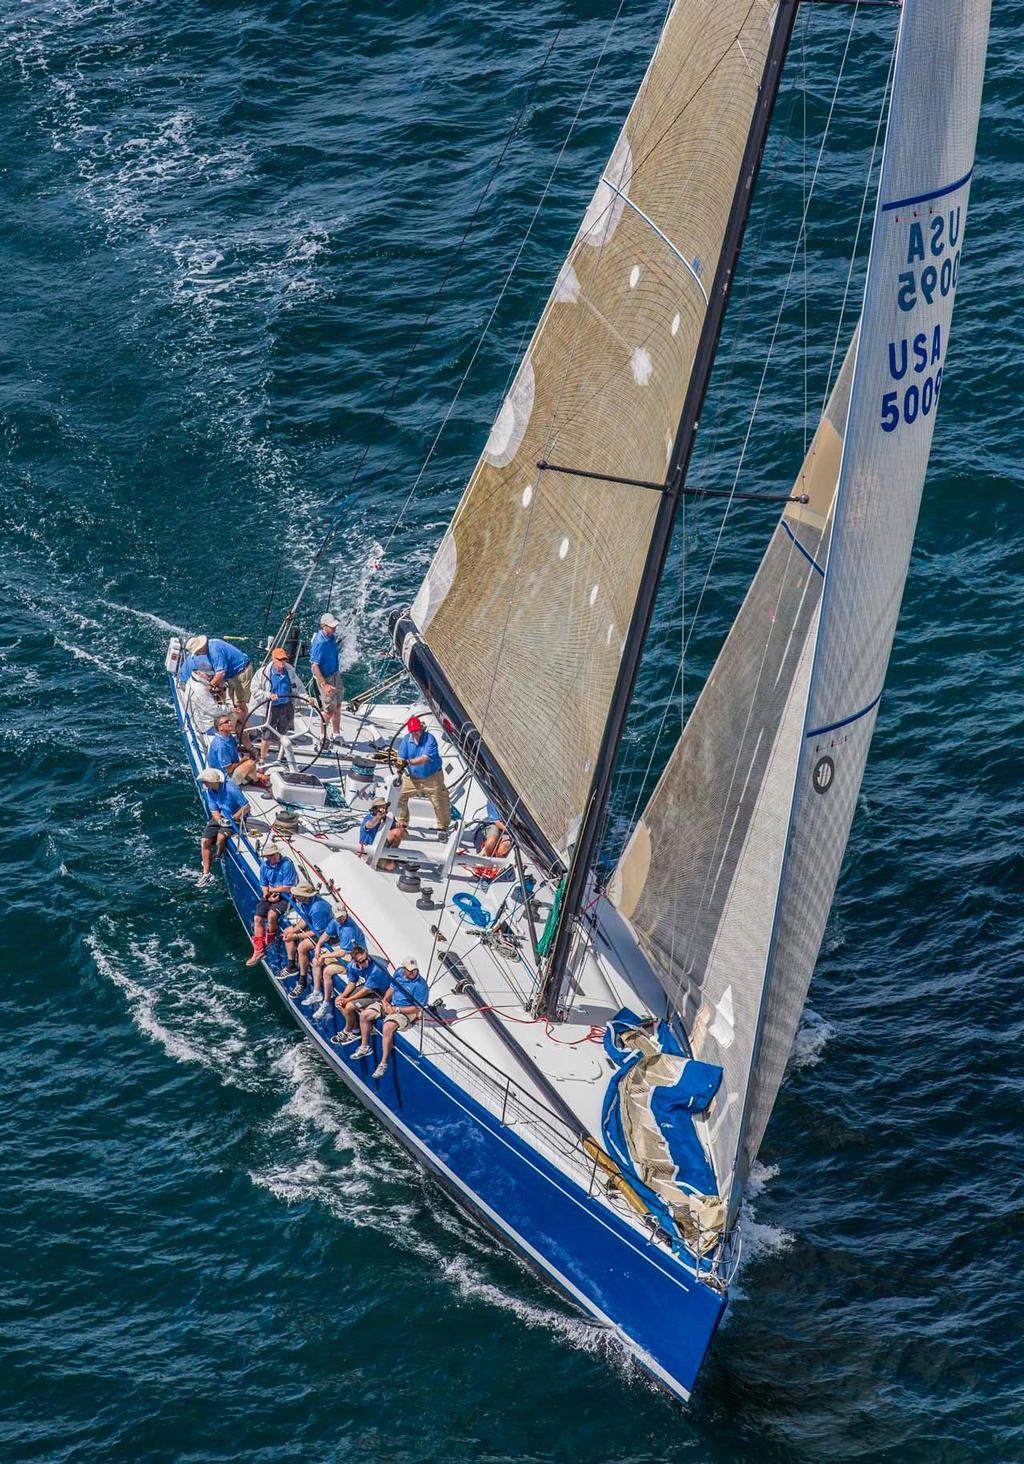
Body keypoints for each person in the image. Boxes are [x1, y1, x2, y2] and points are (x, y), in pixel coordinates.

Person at [349, 957, 429, 1079]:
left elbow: (417, 1008)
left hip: (404, 1011)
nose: (413, 973)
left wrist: (396, 1010)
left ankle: (383, 1063)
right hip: (391, 1005)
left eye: (415, 970)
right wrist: (385, 1001)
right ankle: (364, 1046)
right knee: (365, 1015)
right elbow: (392, 988)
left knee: (387, 1027)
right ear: (403, 969)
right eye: (410, 970)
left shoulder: (420, 986)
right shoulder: (398, 973)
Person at [299, 902, 366, 1014]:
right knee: (316, 960)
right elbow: (325, 935)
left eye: (342, 916)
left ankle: (326, 1004)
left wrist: (324, 955)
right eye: (338, 917)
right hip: (346, 954)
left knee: (327, 971)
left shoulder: (348, 930)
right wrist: (318, 946)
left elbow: (342, 953)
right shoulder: (335, 922)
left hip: (353, 959)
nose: (340, 919)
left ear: (346, 914)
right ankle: (317, 992)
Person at [185, 635, 253, 733]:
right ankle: (239, 722)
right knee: (233, 699)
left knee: (239, 703)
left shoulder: (214, 652)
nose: (198, 655)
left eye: (197, 652)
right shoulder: (211, 645)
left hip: (241, 673)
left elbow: (221, 673)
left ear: (200, 647)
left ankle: (246, 729)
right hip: (232, 674)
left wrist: (210, 686)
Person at [246, 842, 299, 965]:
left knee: (271, 915)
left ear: (277, 853)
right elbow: (263, 884)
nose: (270, 858)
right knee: (257, 918)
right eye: (268, 856)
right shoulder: (265, 866)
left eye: (272, 855)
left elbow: (287, 887)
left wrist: (272, 891)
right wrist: (267, 895)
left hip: (286, 896)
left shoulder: (287, 864)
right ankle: (258, 950)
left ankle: (270, 939)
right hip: (271, 893)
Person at [197, 767, 250, 887]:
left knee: (221, 837)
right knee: (204, 841)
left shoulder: (231, 788)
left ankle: (218, 855)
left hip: (236, 818)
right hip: (222, 817)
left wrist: (233, 818)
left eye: (205, 781)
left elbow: (246, 807)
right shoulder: (210, 791)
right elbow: (214, 810)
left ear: (212, 782)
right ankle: (206, 873)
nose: (204, 784)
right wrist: (220, 821)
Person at [395, 716, 450, 831]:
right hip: (413, 778)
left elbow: (425, 758)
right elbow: (401, 757)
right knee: (399, 796)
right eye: (413, 731)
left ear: (421, 728)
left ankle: (443, 827)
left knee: (439, 802)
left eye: (417, 730)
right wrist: (400, 765)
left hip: (432, 777)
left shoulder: (430, 739)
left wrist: (409, 762)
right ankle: (402, 822)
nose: (415, 733)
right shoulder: (406, 740)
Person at [330, 945, 392, 1042]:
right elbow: (352, 982)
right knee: (338, 1001)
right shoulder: (352, 966)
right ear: (355, 962)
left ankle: (347, 1031)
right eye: (362, 961)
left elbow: (365, 991)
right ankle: (356, 1030)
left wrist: (347, 999)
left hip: (381, 992)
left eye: (366, 958)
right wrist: (342, 997)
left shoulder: (376, 969)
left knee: (349, 1006)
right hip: (369, 987)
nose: (366, 962)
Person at [281, 882, 333, 979]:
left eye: (297, 895)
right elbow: (304, 920)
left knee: (302, 947)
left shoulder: (317, 909)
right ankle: (291, 965)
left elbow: (317, 932)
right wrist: (293, 931)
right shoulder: (304, 902)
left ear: (304, 896)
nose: (294, 896)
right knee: (287, 931)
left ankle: (302, 978)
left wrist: (295, 936)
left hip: (328, 934)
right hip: (314, 926)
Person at [259, 646, 299, 763]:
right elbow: (254, 689)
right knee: (267, 735)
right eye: (279, 660)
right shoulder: (263, 673)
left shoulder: (290, 671)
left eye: (284, 660)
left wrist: (307, 698)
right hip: (272, 707)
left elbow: (299, 687)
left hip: (286, 706)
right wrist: (268, 695)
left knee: (284, 733)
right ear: (273, 659)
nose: (282, 662)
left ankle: (281, 757)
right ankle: (262, 759)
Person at [309, 612, 343, 740]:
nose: (334, 629)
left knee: (338, 704)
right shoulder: (320, 643)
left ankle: (336, 733)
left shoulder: (332, 637)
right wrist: (324, 684)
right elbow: (314, 666)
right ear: (324, 626)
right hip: (325, 678)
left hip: (335, 674)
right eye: (332, 626)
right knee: (328, 710)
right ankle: (322, 736)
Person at [207, 712, 261, 786]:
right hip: (224, 778)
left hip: (231, 770)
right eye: (226, 722)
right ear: (220, 728)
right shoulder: (221, 745)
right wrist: (243, 761)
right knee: (250, 764)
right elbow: (228, 769)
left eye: (229, 721)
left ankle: (253, 780)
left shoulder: (228, 736)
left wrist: (250, 750)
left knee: (251, 765)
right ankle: (255, 781)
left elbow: (235, 748)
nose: (230, 723)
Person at [184, 665, 226, 736]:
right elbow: (214, 710)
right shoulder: (200, 689)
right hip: (207, 727)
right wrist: (230, 709)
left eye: (212, 675)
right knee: (238, 719)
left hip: (200, 719)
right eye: (208, 675)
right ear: (199, 673)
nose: (210, 678)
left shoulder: (192, 680)